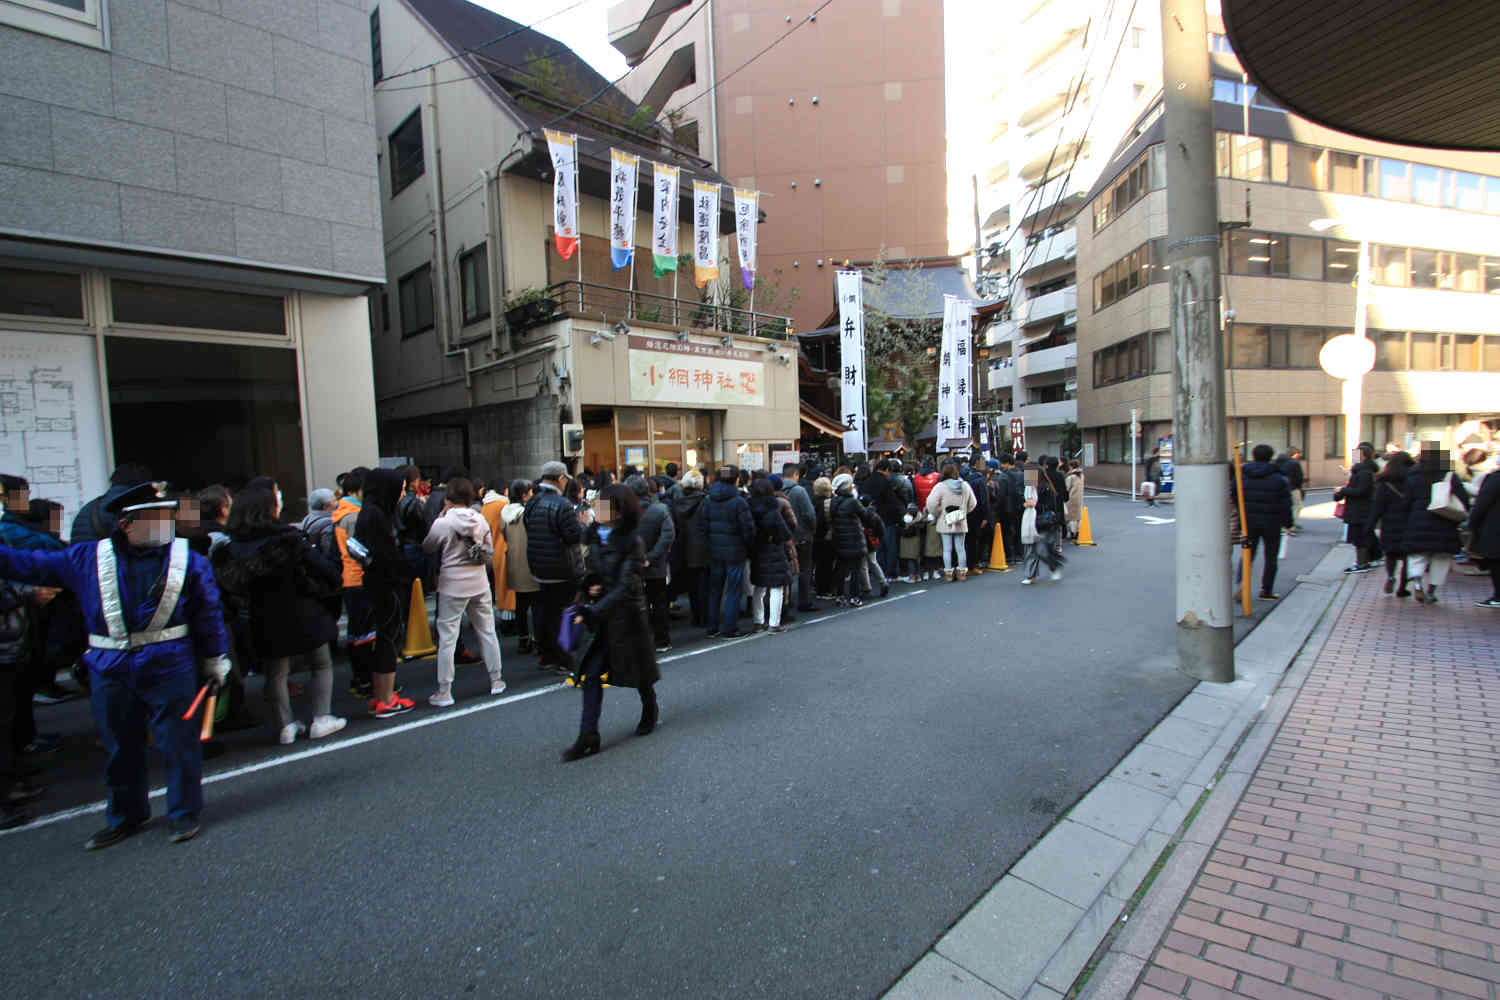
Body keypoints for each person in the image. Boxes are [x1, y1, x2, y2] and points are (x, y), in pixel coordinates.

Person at [0, 481, 231, 848]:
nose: (166, 524)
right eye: (157, 518)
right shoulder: (85, 558)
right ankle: (126, 815)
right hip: (109, 666)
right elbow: (28, 564)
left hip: (170, 662)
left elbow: (208, 612)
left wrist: (216, 657)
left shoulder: (189, 559)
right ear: (126, 524)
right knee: (120, 745)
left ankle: (183, 812)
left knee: (179, 743)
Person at [218, 483, 346, 743]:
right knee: (320, 663)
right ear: (268, 507)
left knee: (276, 672)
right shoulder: (288, 539)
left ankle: (284, 725)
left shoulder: (231, 546)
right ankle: (322, 717)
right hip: (302, 609)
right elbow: (325, 570)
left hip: (260, 615)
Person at [561, 484, 660, 761]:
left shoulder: (632, 541)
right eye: (596, 504)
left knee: (639, 671)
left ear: (619, 510)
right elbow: (593, 571)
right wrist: (591, 585)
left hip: (627, 615)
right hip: (602, 617)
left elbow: (627, 584)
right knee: (591, 674)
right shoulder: (592, 535)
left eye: (602, 505)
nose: (596, 509)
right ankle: (588, 735)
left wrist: (595, 609)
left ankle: (649, 706)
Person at [422, 477, 505, 706]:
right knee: (487, 630)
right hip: (479, 582)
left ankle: (445, 690)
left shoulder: (444, 522)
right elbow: (488, 550)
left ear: (448, 498)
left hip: (452, 584)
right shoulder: (479, 519)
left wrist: (440, 517)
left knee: (448, 637)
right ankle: (496, 679)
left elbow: (428, 546)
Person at [354, 468, 417, 717]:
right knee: (389, 640)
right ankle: (387, 698)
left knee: (384, 638)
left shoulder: (369, 513)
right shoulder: (378, 517)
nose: (402, 493)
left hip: (375, 583)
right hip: (387, 585)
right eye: (399, 488)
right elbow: (386, 556)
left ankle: (381, 695)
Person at [525, 461, 582, 674]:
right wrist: (582, 523)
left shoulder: (531, 503)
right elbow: (573, 536)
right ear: (560, 478)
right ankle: (564, 658)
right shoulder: (562, 504)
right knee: (562, 613)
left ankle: (547, 655)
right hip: (562, 567)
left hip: (539, 567)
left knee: (544, 612)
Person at [1401, 443, 1470, 605]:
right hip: (1444, 520)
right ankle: (1431, 591)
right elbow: (1463, 498)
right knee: (1441, 557)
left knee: (1417, 555)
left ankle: (1417, 583)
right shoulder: (1449, 475)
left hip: (1417, 520)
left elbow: (1406, 502)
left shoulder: (1413, 475)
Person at [701, 467, 755, 639]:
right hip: (735, 550)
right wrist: (749, 546)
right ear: (736, 480)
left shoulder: (708, 499)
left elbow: (703, 526)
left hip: (715, 550)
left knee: (715, 589)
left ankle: (712, 627)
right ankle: (730, 628)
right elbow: (748, 529)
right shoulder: (739, 501)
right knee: (733, 589)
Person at [1235, 444, 1294, 600]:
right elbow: (1286, 504)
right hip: (1272, 523)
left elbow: (1235, 495)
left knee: (1247, 553)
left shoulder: (1243, 475)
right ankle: (1266, 590)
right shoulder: (1279, 478)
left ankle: (1242, 585)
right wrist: (1288, 523)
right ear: (1270, 457)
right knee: (1271, 557)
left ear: (1253, 456)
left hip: (1249, 522)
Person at [627, 475, 676, 652]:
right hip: (656, 567)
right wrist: (652, 557)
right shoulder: (660, 511)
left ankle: (641, 641)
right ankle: (662, 640)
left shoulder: (623, 513)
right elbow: (668, 536)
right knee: (659, 603)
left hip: (632, 567)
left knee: (638, 605)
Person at [499, 480, 540, 652]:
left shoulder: (505, 515)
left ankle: (523, 640)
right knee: (538, 607)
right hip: (531, 563)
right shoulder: (528, 513)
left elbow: (504, 536)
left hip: (514, 564)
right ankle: (538, 640)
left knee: (521, 607)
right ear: (524, 495)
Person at [748, 478, 792, 633]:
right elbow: (785, 533)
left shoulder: (749, 508)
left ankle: (758, 622)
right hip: (773, 550)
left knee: (759, 588)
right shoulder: (772, 510)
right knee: (776, 587)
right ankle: (774, 623)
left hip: (756, 550)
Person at [669, 471, 710, 628]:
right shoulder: (705, 500)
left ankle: (696, 616)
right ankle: (704, 617)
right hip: (703, 548)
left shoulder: (676, 501)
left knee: (692, 585)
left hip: (683, 547)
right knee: (704, 585)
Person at [1370, 451, 1415, 598]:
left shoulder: (1385, 483)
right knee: (1407, 557)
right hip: (1409, 523)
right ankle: (1402, 587)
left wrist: (1370, 525)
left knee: (1390, 554)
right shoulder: (1413, 480)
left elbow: (1377, 507)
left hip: (1389, 524)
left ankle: (1390, 576)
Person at [925, 463, 977, 582]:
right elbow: (973, 503)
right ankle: (962, 572)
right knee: (960, 548)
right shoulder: (965, 485)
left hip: (945, 520)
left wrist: (938, 513)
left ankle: (948, 573)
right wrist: (963, 512)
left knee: (947, 549)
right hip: (960, 520)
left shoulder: (940, 486)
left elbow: (931, 503)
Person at [1334, 443, 1379, 573]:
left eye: (1357, 454)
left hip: (1360, 510)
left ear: (1363, 456)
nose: (1354, 457)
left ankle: (1362, 564)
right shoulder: (1362, 470)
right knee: (1361, 537)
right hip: (1359, 509)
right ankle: (1365, 561)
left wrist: (1343, 490)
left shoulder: (1365, 472)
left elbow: (1362, 491)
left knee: (1360, 538)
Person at [828, 474, 873, 605]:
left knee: (841, 569)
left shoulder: (834, 501)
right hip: (854, 539)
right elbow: (865, 516)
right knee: (855, 569)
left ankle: (840, 595)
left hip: (839, 539)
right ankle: (854, 596)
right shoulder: (853, 502)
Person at [1022, 459, 1068, 585]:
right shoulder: (1029, 489)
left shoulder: (1046, 489)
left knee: (1041, 549)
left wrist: (1034, 504)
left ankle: (1055, 566)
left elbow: (1048, 505)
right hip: (1033, 521)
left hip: (1045, 522)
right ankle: (1031, 575)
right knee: (1032, 549)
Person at [782, 464, 819, 610]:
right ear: (796, 475)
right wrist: (811, 530)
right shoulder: (799, 491)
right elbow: (810, 514)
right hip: (802, 535)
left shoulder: (776, 490)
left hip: (784, 537)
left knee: (787, 568)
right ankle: (804, 601)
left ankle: (786, 600)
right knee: (804, 569)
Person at [1467, 464, 1500, 609]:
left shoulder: (1495, 479)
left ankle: (1498, 596)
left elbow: (1482, 503)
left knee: (1496, 561)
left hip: (1496, 527)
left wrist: (1472, 523)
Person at [1276, 450, 1306, 535]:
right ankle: (1292, 524)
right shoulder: (1294, 463)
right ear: (1294, 454)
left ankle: (1281, 525)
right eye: (1298, 453)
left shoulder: (1276, 463)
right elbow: (1299, 477)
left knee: (1282, 506)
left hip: (1280, 488)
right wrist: (1299, 487)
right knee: (1297, 505)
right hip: (1293, 487)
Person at [1065, 460, 1085, 542]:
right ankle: (1078, 532)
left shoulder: (1071, 476)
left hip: (1072, 498)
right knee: (1078, 516)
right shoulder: (1081, 475)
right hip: (1079, 498)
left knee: (1072, 517)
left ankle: (1073, 533)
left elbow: (1067, 487)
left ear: (1071, 466)